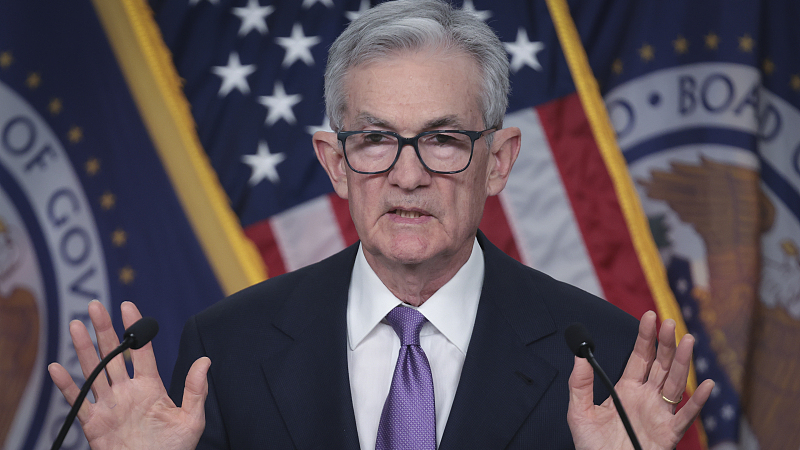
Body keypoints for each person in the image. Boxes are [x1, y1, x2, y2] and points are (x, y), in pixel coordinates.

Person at [48, 1, 714, 449]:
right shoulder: (227, 347)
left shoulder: (604, 356)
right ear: (335, 164)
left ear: (500, 162)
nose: (408, 174)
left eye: (445, 139)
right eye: (374, 140)